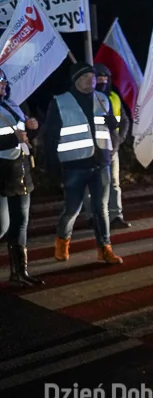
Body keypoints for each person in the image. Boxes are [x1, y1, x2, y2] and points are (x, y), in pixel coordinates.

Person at [43, 62, 124, 265]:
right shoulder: (60, 102)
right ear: (76, 80)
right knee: (72, 208)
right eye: (87, 76)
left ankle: (105, 249)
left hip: (101, 164)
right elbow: (50, 137)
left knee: (101, 208)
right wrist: (53, 167)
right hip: (74, 165)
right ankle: (62, 241)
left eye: (93, 76)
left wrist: (114, 128)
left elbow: (109, 130)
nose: (92, 79)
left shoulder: (102, 98)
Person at [0, 67, 43, 286]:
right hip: (3, 173)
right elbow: (12, 138)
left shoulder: (13, 105)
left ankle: (20, 272)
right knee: (2, 226)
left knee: (21, 223)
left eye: (4, 83)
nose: (2, 87)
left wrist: (32, 128)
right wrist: (13, 139)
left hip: (21, 171)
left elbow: (24, 136)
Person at [82, 62, 132, 229]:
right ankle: (91, 216)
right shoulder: (88, 98)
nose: (103, 80)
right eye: (99, 77)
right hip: (92, 149)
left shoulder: (114, 97)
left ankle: (115, 216)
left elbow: (124, 120)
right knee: (90, 184)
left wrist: (120, 138)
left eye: (105, 77)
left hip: (112, 148)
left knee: (114, 184)